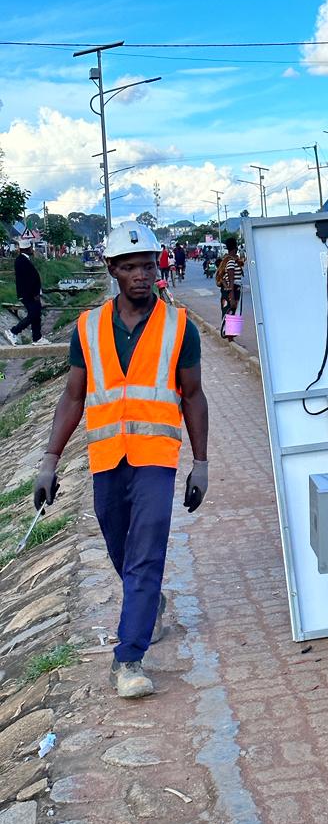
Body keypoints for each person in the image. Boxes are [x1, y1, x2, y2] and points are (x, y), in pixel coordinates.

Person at [33, 221, 209, 699]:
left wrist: (202, 461)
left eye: (147, 265)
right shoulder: (88, 328)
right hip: (107, 457)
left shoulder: (179, 327)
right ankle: (148, 605)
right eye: (129, 266)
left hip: (156, 458)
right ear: (112, 269)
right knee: (120, 548)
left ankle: (128, 658)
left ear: (158, 268)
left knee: (147, 551)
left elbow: (192, 396)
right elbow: (72, 396)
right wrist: (49, 459)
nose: (140, 275)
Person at [4, 238, 51, 347]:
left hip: (30, 294)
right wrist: (34, 293)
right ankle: (13, 331)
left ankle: (37, 338)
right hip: (29, 294)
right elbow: (27, 280)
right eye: (31, 248)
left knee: (36, 315)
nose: (32, 250)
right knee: (33, 314)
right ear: (27, 248)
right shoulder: (21, 261)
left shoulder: (23, 259)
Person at [217, 237, 244, 339]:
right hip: (232, 290)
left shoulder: (230, 260)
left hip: (233, 289)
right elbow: (231, 280)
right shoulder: (231, 262)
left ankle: (230, 337)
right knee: (231, 312)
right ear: (235, 248)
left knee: (232, 312)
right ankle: (229, 338)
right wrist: (232, 296)